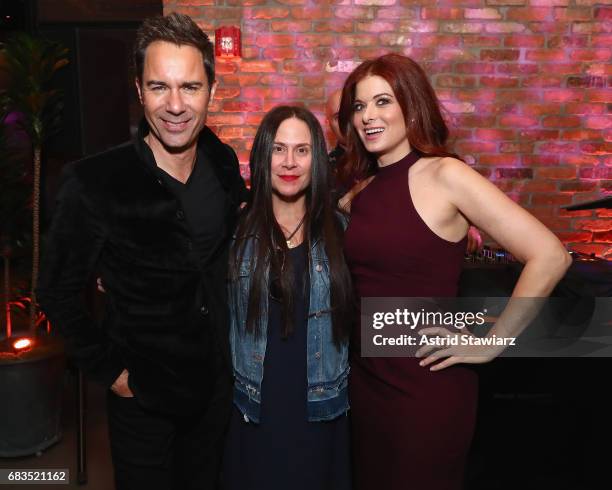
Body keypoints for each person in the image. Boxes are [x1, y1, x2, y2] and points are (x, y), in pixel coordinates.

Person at [337, 53, 572, 490]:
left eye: (383, 101)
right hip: (366, 386)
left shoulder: (446, 175)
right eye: (359, 105)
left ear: (412, 104)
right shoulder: (357, 194)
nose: (369, 115)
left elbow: (550, 255)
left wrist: (492, 343)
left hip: (426, 388)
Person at [37, 13, 247, 490]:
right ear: (138, 89)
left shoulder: (222, 161)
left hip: (216, 389)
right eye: (159, 86)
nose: (175, 105)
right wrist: (114, 373)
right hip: (143, 399)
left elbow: (221, 256)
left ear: (211, 89)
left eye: (190, 87)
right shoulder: (94, 183)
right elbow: (56, 291)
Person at [223, 106, 353, 490]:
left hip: (321, 404)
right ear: (263, 156)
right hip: (255, 405)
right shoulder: (235, 230)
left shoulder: (343, 231)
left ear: (318, 159)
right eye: (279, 149)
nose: (290, 162)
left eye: (302, 150)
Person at [326, 88, 483, 253]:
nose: (349, 122)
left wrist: (463, 220)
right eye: (339, 117)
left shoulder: (412, 164)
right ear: (328, 123)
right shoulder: (326, 169)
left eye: (354, 111)